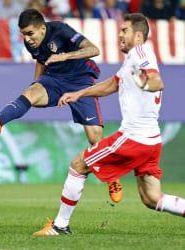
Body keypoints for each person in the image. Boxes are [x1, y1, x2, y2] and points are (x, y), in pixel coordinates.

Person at [33, 12, 185, 236]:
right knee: (152, 199)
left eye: (125, 30)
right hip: (151, 141)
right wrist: (79, 93)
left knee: (78, 165)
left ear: (139, 35)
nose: (120, 34)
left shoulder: (141, 53)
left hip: (133, 138)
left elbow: (156, 80)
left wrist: (147, 83)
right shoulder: (132, 58)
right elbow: (112, 84)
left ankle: (60, 226)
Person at [0, 8, 123, 203]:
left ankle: (112, 177)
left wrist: (64, 56)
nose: (27, 39)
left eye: (30, 33)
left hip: (80, 81)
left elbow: (94, 49)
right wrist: (37, 83)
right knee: (29, 93)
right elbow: (40, 60)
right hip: (54, 79)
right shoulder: (31, 43)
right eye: (23, 34)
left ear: (43, 29)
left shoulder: (61, 30)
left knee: (94, 137)